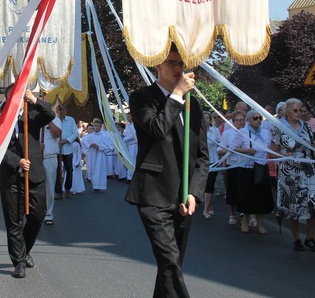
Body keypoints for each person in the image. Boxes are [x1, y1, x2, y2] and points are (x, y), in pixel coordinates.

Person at [125, 46, 209, 298]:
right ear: (157, 66)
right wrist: (177, 95)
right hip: (154, 194)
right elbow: (157, 128)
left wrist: (194, 192)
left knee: (171, 266)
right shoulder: (142, 98)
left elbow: (202, 157)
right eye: (172, 63)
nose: (178, 68)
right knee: (170, 260)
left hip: (184, 198)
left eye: (181, 63)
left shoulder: (194, 106)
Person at [0, 84, 54, 279]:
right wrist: (17, 161)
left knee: (37, 216)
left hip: (34, 174)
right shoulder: (1, 122)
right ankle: (18, 261)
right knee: (14, 221)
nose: (13, 100)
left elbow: (51, 115)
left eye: (18, 96)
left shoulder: (32, 117)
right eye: (10, 97)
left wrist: (35, 99)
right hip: (11, 177)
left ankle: (25, 249)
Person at [272, 98, 315, 252]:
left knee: (312, 204)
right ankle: (296, 238)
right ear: (287, 112)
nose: (299, 113)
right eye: (295, 110)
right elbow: (272, 151)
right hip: (290, 172)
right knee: (292, 205)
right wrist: (283, 154)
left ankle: (310, 237)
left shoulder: (306, 127)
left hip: (307, 171)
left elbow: (311, 149)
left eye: (300, 110)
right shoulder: (279, 128)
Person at [230, 110, 274, 234]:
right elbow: (233, 147)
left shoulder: (265, 133)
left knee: (261, 196)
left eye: (259, 118)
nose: (258, 120)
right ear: (248, 120)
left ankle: (260, 223)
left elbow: (269, 149)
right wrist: (247, 151)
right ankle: (245, 220)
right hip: (247, 168)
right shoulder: (243, 132)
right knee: (247, 195)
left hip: (261, 167)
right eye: (255, 118)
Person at [49, 103, 79, 199]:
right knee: (57, 171)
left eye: (63, 110)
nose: (62, 112)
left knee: (69, 170)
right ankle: (58, 191)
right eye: (60, 110)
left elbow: (75, 133)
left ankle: (67, 189)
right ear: (57, 111)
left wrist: (66, 141)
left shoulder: (71, 120)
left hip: (68, 149)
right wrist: (58, 141)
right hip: (57, 150)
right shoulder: (54, 120)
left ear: (66, 111)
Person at [41, 119, 61, 226]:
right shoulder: (33, 117)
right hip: (36, 158)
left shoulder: (55, 120)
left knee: (49, 188)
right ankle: (36, 214)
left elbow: (57, 134)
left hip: (50, 158)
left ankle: (48, 214)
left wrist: (48, 120)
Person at [203, 113, 223, 218]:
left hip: (213, 161)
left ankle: (207, 208)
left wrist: (218, 151)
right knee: (205, 185)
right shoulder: (198, 131)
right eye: (203, 118)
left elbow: (221, 143)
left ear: (210, 120)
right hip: (201, 161)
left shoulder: (215, 131)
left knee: (210, 184)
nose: (205, 120)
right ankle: (208, 207)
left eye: (207, 118)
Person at [87, 119, 112, 193]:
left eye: (98, 126)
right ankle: (94, 185)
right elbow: (85, 144)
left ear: (100, 127)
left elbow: (108, 146)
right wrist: (90, 145)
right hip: (92, 155)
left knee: (99, 170)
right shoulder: (90, 136)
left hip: (100, 156)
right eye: (95, 126)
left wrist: (98, 147)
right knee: (93, 170)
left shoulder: (104, 135)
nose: (96, 127)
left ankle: (98, 186)